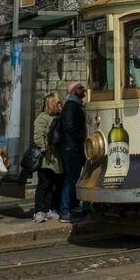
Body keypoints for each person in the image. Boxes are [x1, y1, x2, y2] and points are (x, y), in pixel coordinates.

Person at [32, 93, 64, 224]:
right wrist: (45, 149)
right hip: (47, 157)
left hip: (57, 157)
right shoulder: (42, 118)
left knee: (54, 184)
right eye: (58, 103)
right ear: (52, 104)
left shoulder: (58, 117)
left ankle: (49, 208)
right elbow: (38, 137)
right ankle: (38, 210)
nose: (61, 105)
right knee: (44, 184)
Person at [59, 81, 88, 222]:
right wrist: (82, 137)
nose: (84, 91)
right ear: (75, 91)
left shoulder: (75, 105)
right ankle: (65, 211)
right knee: (71, 179)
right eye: (81, 89)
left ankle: (73, 207)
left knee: (75, 178)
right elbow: (69, 127)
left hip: (74, 147)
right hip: (72, 148)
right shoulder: (71, 106)